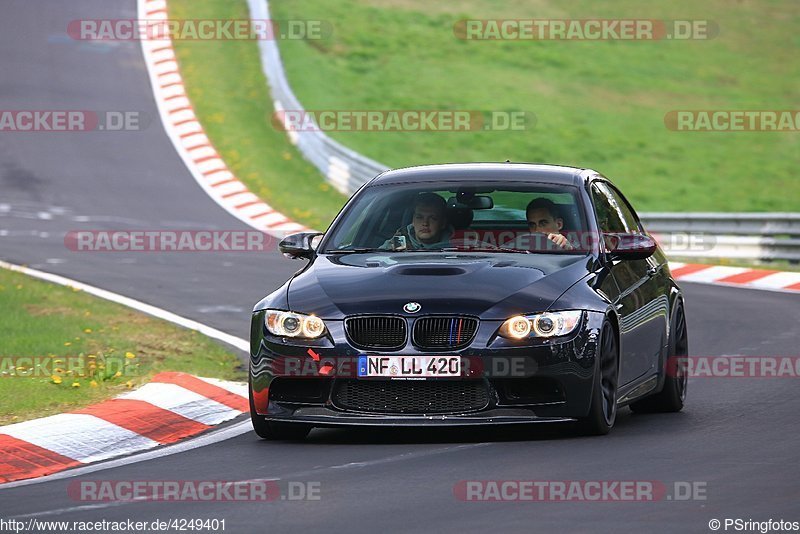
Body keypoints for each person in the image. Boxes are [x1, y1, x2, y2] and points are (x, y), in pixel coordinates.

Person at [381, 193, 454, 250]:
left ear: (443, 223)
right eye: (420, 217)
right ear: (413, 221)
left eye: (432, 218)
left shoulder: (457, 245)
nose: (425, 223)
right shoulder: (399, 242)